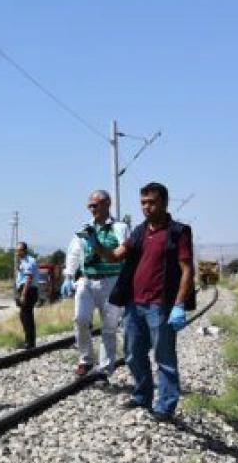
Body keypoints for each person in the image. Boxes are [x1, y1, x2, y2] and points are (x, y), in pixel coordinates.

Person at [91, 181, 195, 423]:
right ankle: (142, 395)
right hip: (134, 305)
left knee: (164, 358)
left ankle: (165, 406)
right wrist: (96, 245)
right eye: (143, 203)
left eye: (152, 202)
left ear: (164, 203)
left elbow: (187, 269)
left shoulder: (178, 231)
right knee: (131, 353)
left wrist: (179, 305)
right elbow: (116, 254)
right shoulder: (139, 231)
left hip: (161, 305)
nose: (146, 207)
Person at [61, 190, 131, 376]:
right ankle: (85, 359)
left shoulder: (120, 228)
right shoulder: (84, 230)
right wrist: (68, 276)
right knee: (80, 319)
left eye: (96, 205)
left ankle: (105, 368)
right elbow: (74, 253)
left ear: (107, 204)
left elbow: (127, 252)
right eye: (90, 206)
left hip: (111, 282)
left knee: (109, 326)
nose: (92, 209)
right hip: (87, 280)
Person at [15, 242, 40, 349]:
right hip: (25, 289)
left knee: (26, 317)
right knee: (25, 316)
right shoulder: (22, 261)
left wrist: (23, 295)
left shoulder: (29, 261)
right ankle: (29, 341)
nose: (17, 252)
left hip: (29, 290)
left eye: (19, 250)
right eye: (16, 250)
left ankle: (29, 343)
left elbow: (28, 279)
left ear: (24, 250)